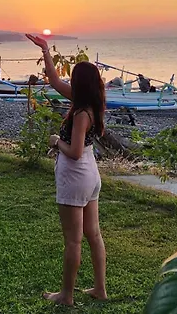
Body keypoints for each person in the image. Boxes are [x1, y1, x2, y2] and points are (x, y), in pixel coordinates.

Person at [26, 34, 107, 306]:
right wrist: (45, 50)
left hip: (76, 175)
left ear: (80, 83)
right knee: (93, 234)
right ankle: (100, 289)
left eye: (73, 78)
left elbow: (73, 151)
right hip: (90, 174)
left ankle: (66, 296)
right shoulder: (91, 103)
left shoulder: (82, 113)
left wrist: (55, 141)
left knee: (73, 241)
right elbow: (54, 81)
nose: (69, 82)